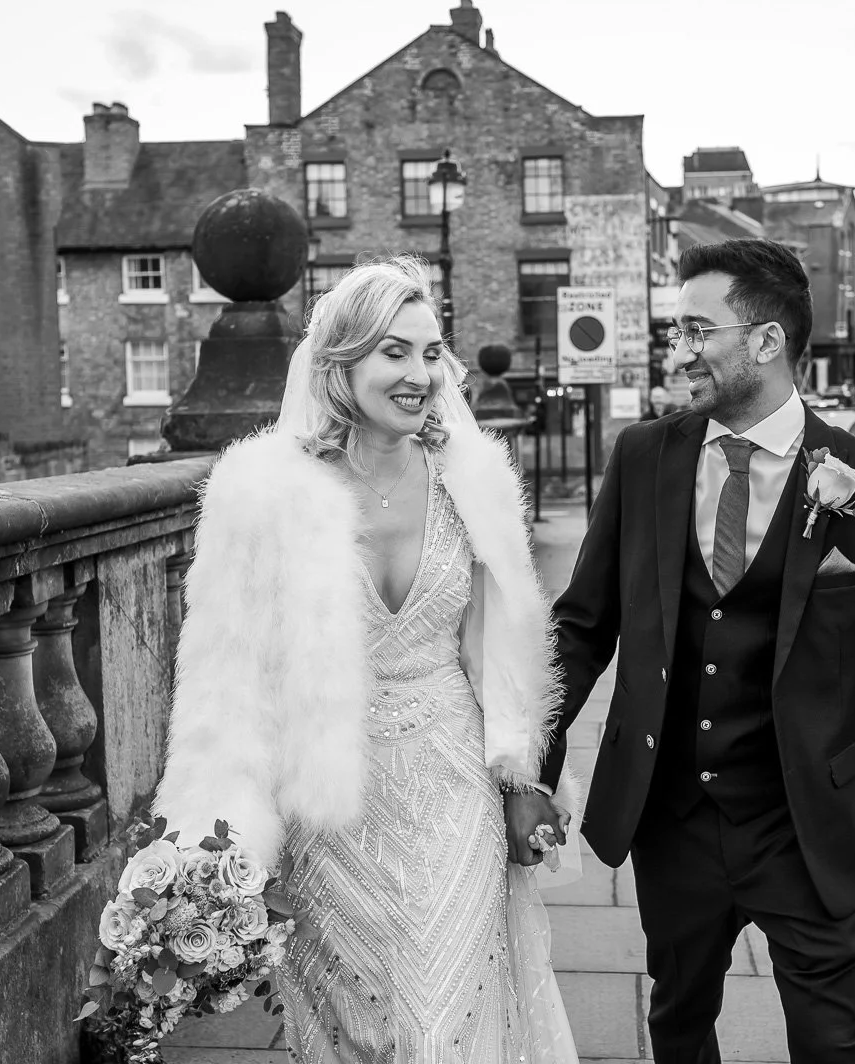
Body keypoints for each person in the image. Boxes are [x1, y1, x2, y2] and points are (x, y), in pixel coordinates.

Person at [507, 239, 855, 1063]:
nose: (681, 352)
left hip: (804, 825)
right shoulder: (644, 457)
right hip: (670, 817)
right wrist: (531, 770)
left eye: (698, 330)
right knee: (677, 1023)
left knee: (832, 1043)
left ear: (767, 342)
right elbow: (582, 630)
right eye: (679, 332)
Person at [154, 257, 580, 1063]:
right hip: (330, 808)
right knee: (357, 1031)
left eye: (429, 352)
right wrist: (214, 854)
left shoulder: (474, 479)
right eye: (395, 352)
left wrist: (523, 781)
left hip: (453, 778)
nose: (421, 374)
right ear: (341, 361)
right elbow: (224, 688)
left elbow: (503, 655)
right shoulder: (258, 492)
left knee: (446, 1020)